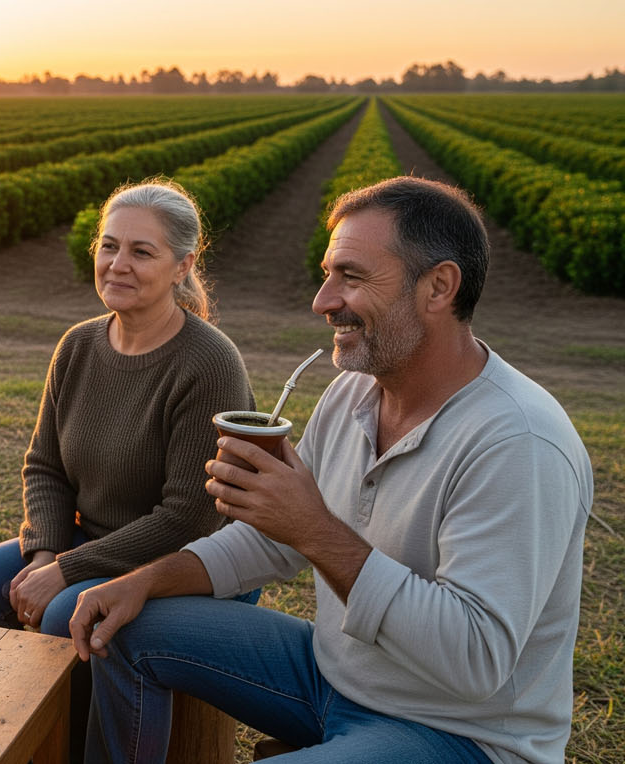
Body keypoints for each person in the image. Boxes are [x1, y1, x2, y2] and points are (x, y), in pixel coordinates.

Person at [70, 176, 592, 764]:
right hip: (330, 677)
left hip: (458, 732)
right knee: (122, 625)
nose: (323, 300)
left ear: (439, 287)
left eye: (353, 276)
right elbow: (268, 541)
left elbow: (476, 662)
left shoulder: (517, 441)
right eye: (327, 274)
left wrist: (314, 527)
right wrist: (144, 580)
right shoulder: (353, 394)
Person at [0, 179, 255, 637]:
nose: (118, 265)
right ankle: (24, 708)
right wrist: (43, 554)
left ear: (182, 266)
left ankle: (77, 709)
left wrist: (65, 571)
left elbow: (189, 518)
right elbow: (45, 467)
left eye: (141, 252)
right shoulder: (77, 346)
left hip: (187, 560)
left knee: (62, 612)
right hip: (94, 542)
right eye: (109, 246)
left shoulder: (209, 363)